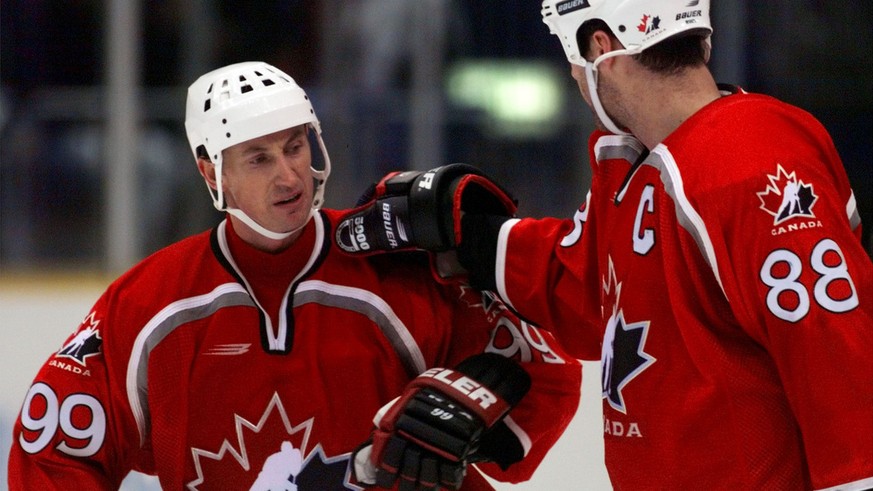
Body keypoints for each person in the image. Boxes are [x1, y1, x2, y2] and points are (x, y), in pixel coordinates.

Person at [341, 1, 873, 489]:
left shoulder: (747, 162)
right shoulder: (637, 161)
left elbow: (836, 355)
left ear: (602, 47)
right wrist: (473, 238)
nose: (574, 74)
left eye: (573, 56)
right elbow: (593, 291)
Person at [8, 61, 582, 490]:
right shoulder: (150, 303)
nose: (290, 177)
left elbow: (546, 368)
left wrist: (482, 414)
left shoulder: (400, 270)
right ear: (213, 171)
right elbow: (50, 451)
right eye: (258, 158)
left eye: (295, 146)